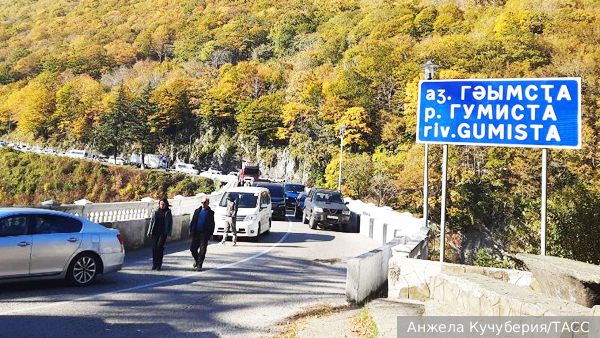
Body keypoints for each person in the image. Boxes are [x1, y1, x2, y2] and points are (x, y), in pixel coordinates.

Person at [189, 196, 215, 270]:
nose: (203, 204)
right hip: (196, 233)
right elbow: (193, 221)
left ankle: (200, 264)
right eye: (202, 202)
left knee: (202, 250)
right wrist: (191, 230)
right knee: (193, 248)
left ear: (208, 203)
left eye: (205, 202)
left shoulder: (210, 213)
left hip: (205, 234)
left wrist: (211, 233)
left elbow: (212, 223)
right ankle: (197, 260)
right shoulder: (197, 211)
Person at [146, 197, 172, 271]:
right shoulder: (156, 211)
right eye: (161, 204)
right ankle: (154, 264)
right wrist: (149, 231)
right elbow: (151, 222)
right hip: (155, 232)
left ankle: (159, 264)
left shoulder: (168, 212)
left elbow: (170, 223)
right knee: (154, 249)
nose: (162, 206)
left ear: (166, 205)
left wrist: (169, 232)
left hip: (163, 233)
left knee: (159, 248)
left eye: (163, 204)